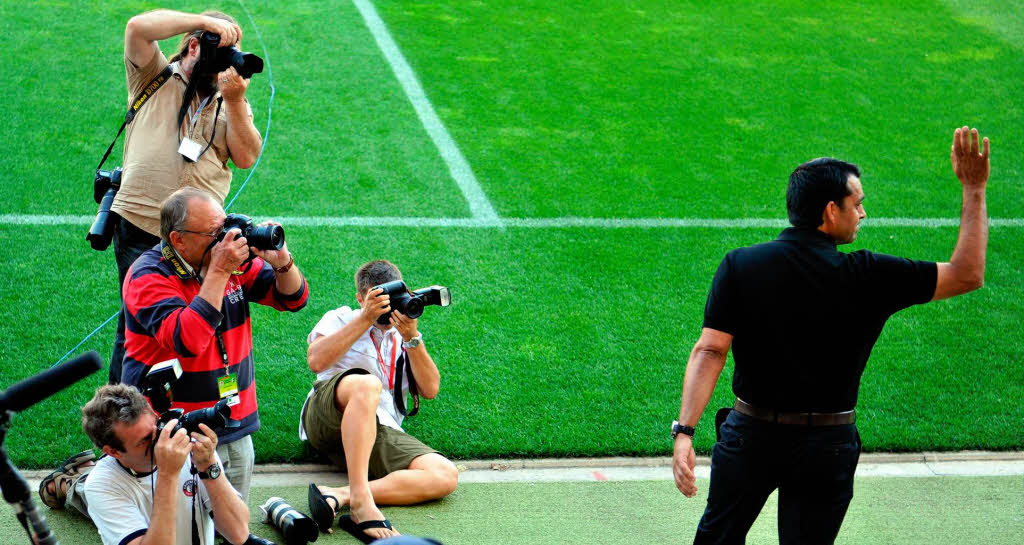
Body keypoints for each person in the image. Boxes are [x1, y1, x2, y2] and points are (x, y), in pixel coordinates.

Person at [672, 127, 990, 544]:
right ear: (830, 212)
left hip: (751, 437)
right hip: (827, 446)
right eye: (856, 204)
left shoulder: (741, 265)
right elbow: (968, 274)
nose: (862, 214)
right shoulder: (870, 275)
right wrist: (974, 189)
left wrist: (685, 433)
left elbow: (710, 350)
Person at [116, 187, 308, 508]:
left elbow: (293, 298)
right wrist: (218, 270)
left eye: (224, 227)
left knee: (231, 522)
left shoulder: (231, 261)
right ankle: (79, 489)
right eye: (214, 233)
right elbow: (188, 340)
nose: (225, 240)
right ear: (178, 239)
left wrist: (281, 262)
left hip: (232, 416)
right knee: (171, 525)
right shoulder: (147, 276)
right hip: (173, 427)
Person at [108, 9, 263, 385]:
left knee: (197, 320)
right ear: (194, 45)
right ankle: (121, 422)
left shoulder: (231, 99)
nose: (229, 61)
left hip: (200, 238)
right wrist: (206, 22)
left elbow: (246, 156)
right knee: (139, 326)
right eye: (220, 49)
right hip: (141, 223)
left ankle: (193, 410)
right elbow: (137, 27)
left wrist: (237, 101)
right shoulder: (154, 75)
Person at [302, 260, 458, 542]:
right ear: (361, 298)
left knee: (445, 475)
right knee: (367, 384)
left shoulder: (403, 331)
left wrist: (412, 337)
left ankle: (342, 494)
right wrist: (365, 319)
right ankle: (363, 505)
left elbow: (431, 389)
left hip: (375, 429)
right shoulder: (341, 318)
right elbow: (315, 360)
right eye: (375, 301)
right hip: (326, 417)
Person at [64, 384, 250, 545]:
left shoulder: (188, 448)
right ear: (113, 451)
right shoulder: (101, 485)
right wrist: (168, 475)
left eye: (158, 426)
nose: (162, 439)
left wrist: (208, 465)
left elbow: (239, 534)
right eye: (146, 440)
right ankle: (66, 482)